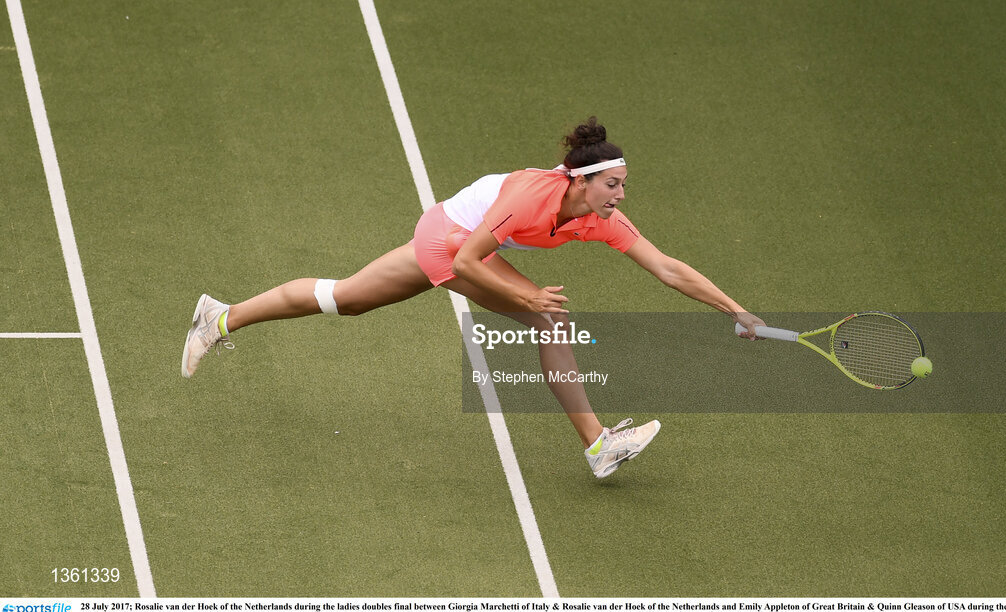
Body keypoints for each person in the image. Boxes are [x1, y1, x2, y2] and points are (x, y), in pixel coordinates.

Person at [182, 117, 766, 479]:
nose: (620, 194)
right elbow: (465, 261)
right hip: (448, 242)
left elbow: (667, 268)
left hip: (444, 228)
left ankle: (218, 317)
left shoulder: (600, 218)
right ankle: (598, 446)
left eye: (622, 186)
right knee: (552, 321)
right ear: (581, 180)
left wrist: (734, 309)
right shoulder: (531, 197)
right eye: (613, 184)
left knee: (346, 298)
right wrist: (532, 299)